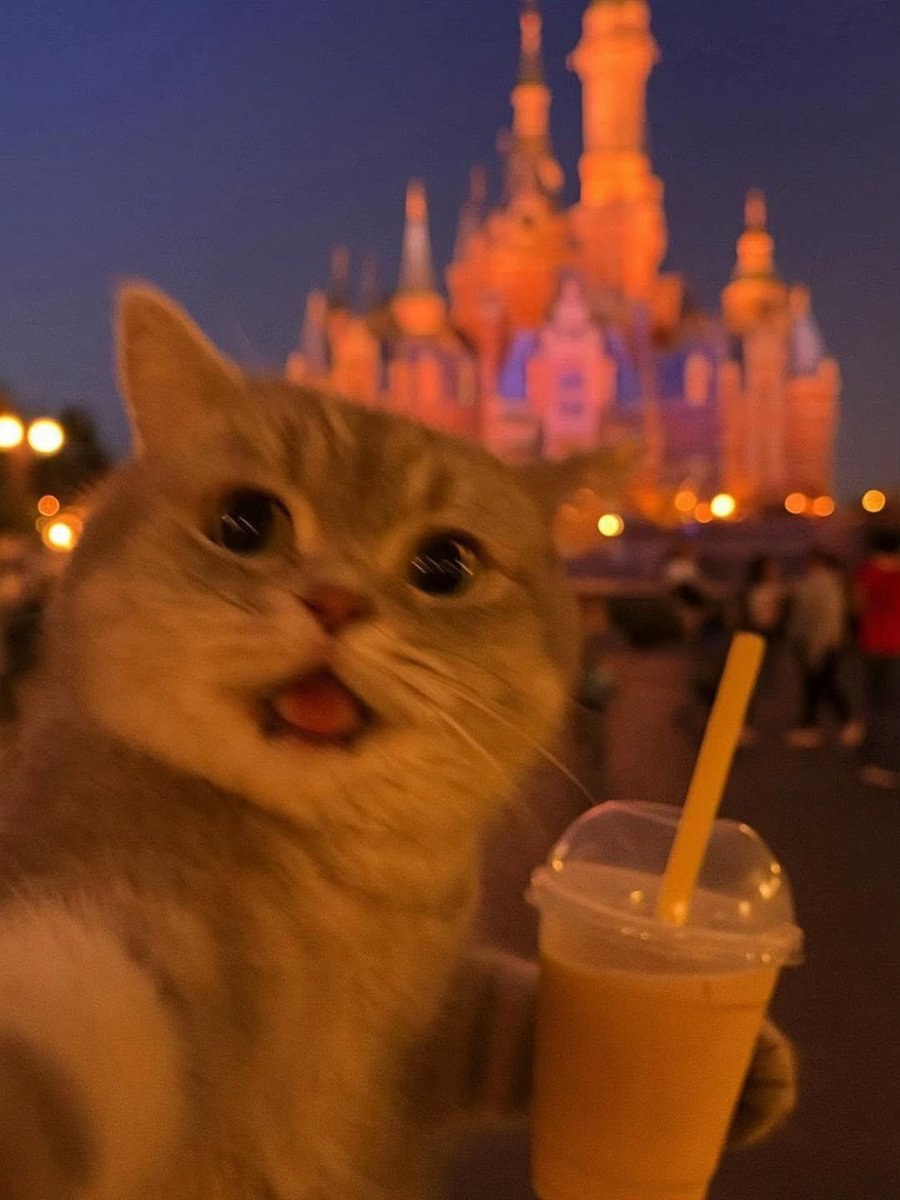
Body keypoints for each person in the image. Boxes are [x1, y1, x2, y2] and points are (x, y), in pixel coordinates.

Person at [786, 549, 861, 748]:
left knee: (823, 684)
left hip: (820, 644)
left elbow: (825, 618)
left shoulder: (822, 583)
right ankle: (811, 726)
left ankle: (844, 722)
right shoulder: (828, 582)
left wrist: (818, 646)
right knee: (816, 686)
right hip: (820, 642)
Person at [854, 528, 900, 789]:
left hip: (870, 644)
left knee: (873, 702)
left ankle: (871, 756)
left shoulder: (866, 572)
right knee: (892, 706)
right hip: (896, 647)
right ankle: (885, 760)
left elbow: (857, 605)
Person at [737, 555, 786, 743]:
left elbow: (779, 614)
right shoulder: (752, 590)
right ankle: (741, 721)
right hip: (753, 637)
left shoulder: (776, 589)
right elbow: (746, 615)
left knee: (761, 681)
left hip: (770, 637)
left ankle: (746, 721)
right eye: (770, 568)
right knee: (748, 681)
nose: (775, 571)